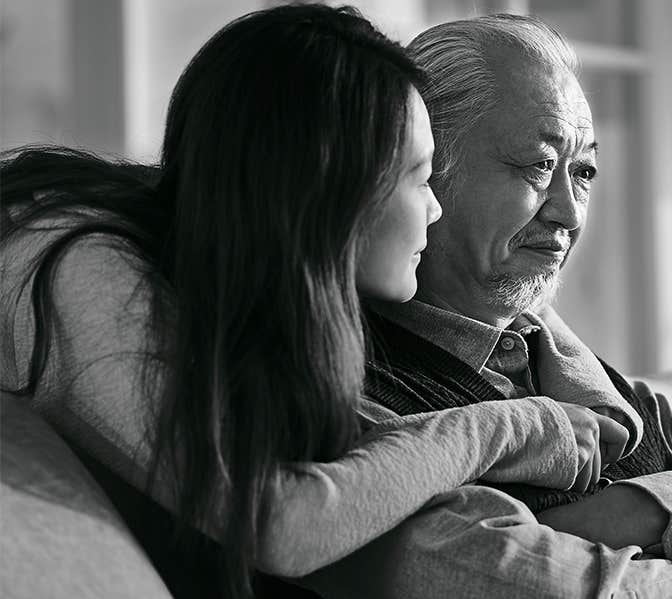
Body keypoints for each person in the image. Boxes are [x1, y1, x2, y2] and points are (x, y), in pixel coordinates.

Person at [0, 5, 631, 599]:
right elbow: (280, 524)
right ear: (343, 183)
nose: (436, 207)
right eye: (420, 176)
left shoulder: (259, 294)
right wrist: (512, 426)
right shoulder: (74, 262)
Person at [312, 14, 672, 599]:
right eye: (539, 166)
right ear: (421, 165)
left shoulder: (574, 372)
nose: (569, 213)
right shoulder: (353, 387)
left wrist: (637, 511)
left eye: (585, 172)